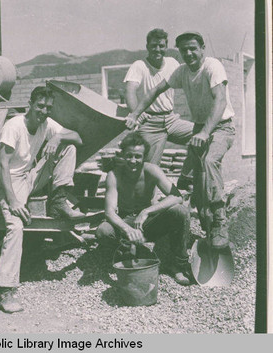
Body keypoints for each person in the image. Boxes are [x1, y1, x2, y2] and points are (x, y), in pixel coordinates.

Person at [126, 32, 235, 249]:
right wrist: (135, 113)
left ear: (203, 48)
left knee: (208, 162)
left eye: (193, 48)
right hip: (199, 127)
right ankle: (206, 227)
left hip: (221, 127)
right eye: (184, 50)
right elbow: (155, 90)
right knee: (200, 179)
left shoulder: (212, 67)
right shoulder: (182, 71)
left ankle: (220, 221)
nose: (189, 53)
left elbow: (220, 100)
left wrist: (204, 133)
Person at [0, 86, 85, 313]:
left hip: (29, 177)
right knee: (15, 227)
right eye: (40, 106)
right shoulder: (13, 126)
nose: (43, 111)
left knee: (69, 147)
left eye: (48, 108)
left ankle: (59, 199)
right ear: (30, 105)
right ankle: (5, 290)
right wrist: (13, 201)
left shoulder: (46, 124)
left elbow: (78, 137)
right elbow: (2, 165)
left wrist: (59, 138)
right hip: (9, 183)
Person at [96, 132, 191, 285]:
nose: (133, 161)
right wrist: (127, 229)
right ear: (122, 155)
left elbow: (177, 196)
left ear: (144, 157)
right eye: (129, 156)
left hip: (148, 221)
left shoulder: (151, 170)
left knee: (180, 211)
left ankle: (178, 263)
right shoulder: (114, 175)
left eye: (138, 156)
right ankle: (126, 254)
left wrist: (146, 211)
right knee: (103, 231)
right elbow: (109, 212)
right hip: (125, 220)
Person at [123, 28, 194, 189]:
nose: (158, 49)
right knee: (149, 169)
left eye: (161, 46)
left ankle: (186, 178)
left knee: (202, 136)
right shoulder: (139, 66)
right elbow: (130, 91)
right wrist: (136, 115)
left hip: (171, 119)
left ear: (166, 47)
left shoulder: (172, 63)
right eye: (154, 45)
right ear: (147, 46)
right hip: (149, 123)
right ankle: (145, 207)